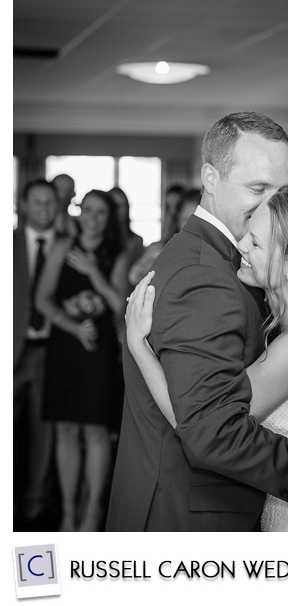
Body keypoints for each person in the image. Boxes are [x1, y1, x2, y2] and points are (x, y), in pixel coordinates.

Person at [106, 112, 288, 531]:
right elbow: (211, 430)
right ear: (210, 177)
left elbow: (206, 422)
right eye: (258, 188)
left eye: (282, 191)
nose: (273, 206)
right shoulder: (206, 275)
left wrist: (139, 350)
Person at [34, 189, 132, 531]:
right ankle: (67, 514)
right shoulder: (62, 246)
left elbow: (120, 303)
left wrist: (93, 272)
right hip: (66, 344)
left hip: (99, 351)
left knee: (94, 431)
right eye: (87, 210)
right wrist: (72, 326)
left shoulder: (118, 253)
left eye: (100, 212)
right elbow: (42, 299)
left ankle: (91, 513)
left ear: (109, 218)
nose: (92, 218)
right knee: (64, 429)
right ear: (79, 212)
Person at [13, 180, 61, 529]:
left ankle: (36, 503)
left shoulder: (64, 246)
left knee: (43, 432)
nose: (44, 208)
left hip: (52, 352)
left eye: (50, 202)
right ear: (24, 204)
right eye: (37, 201)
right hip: (12, 353)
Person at [129, 189, 201, 285]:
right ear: (178, 219)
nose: (191, 226)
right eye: (185, 219)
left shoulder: (214, 254)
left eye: (198, 220)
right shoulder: (160, 250)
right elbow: (134, 276)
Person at [107, 186, 147, 267]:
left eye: (121, 205)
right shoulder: (97, 239)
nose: (117, 210)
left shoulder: (137, 241)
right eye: (113, 206)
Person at [50, 173, 79, 239]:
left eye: (68, 190)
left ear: (73, 194)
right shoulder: (37, 222)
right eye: (60, 189)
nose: (64, 194)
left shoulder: (79, 224)